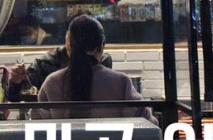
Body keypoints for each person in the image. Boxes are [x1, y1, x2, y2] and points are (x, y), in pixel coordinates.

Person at [30, 14, 158, 124]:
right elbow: (149, 124)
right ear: (101, 47)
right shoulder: (121, 83)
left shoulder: (51, 82)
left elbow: (37, 127)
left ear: (70, 46)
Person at [4, 15, 112, 102]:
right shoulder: (45, 63)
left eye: (83, 39)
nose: (78, 44)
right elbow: (15, 97)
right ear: (67, 37)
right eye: (74, 38)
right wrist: (15, 81)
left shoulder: (102, 61)